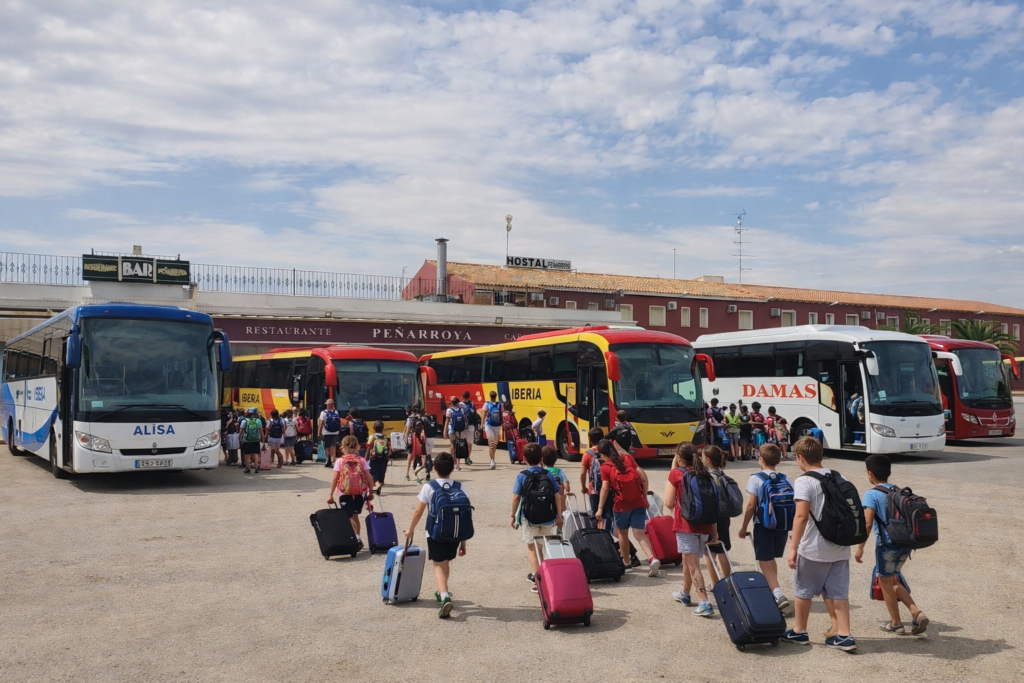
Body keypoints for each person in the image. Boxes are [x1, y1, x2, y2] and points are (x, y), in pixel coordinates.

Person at [782, 437, 857, 651]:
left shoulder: (804, 481)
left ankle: (799, 631)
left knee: (803, 589)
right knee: (838, 592)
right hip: (840, 545)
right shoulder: (838, 476)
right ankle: (844, 635)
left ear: (800, 457)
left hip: (814, 547)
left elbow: (801, 516)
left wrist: (793, 547)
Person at [856, 454, 929, 636]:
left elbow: (867, 523)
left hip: (886, 545)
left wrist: (860, 547)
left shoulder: (872, 494)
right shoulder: (898, 491)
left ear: (870, 474)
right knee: (892, 580)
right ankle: (915, 613)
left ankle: (896, 623)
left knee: (885, 582)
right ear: (889, 472)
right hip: (905, 544)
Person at [404, 452, 468, 619]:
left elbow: (418, 511)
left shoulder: (429, 487)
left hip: (435, 532)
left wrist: (410, 529)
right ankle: (442, 591)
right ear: (453, 468)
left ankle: (445, 595)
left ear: (434, 468)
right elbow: (464, 515)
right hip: (454, 533)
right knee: (445, 562)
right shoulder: (460, 487)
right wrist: (463, 542)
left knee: (438, 565)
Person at [737, 443, 792, 613]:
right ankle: (773, 588)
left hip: (764, 525)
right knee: (770, 560)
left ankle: (778, 594)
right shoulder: (785, 478)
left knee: (764, 560)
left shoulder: (757, 478)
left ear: (760, 459)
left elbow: (751, 506)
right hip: (782, 525)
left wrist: (743, 526)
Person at [665, 443, 717, 617]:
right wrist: (714, 530)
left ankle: (704, 602)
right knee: (688, 559)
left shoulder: (676, 474)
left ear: (679, 457)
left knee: (693, 564)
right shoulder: (705, 474)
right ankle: (685, 593)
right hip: (704, 524)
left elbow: (669, 503)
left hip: (685, 524)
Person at [595, 439, 660, 577]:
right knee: (639, 534)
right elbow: (643, 477)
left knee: (623, 534)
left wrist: (600, 508)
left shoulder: (605, 467)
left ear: (602, 454)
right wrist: (644, 496)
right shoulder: (627, 458)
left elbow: (605, 488)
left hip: (621, 505)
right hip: (638, 502)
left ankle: (626, 563)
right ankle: (652, 558)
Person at [510, 442, 562, 592]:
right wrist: (558, 516)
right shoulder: (548, 475)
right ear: (541, 457)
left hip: (529, 517)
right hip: (548, 516)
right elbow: (557, 495)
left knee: (531, 548)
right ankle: (546, 576)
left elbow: (515, 497)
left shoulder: (522, 476)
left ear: (524, 458)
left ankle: (537, 580)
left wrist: (512, 516)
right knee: (543, 546)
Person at [327, 435, 375, 548]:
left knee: (347, 516)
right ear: (357, 447)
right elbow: (369, 477)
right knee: (355, 516)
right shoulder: (361, 460)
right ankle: (357, 537)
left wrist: (331, 495)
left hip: (344, 493)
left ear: (342, 447)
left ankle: (350, 538)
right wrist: (371, 492)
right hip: (359, 493)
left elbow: (335, 478)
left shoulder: (340, 461)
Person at [702, 446, 733, 585]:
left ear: (707, 459)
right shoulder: (723, 476)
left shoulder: (708, 478)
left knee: (709, 551)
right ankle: (727, 582)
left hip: (712, 516)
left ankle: (715, 584)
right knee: (722, 549)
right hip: (725, 516)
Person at [578, 427, 613, 530]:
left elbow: (583, 473)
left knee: (595, 515)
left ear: (590, 439)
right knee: (608, 514)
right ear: (603, 437)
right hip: (608, 489)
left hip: (594, 490)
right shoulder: (608, 450)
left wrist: (583, 487)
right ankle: (607, 536)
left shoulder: (588, 453)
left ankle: (597, 536)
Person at [366, 420, 391, 495]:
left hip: (374, 458)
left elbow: (368, 448)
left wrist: (366, 458)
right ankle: (379, 486)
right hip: (383, 459)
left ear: (374, 428)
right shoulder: (385, 438)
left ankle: (377, 484)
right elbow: (389, 449)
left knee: (372, 473)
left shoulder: (372, 437)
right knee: (381, 473)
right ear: (383, 428)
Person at [541, 445, 569, 512]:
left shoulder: (541, 472)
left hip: (546, 504)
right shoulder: (560, 472)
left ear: (541, 459)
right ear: (555, 459)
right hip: (560, 505)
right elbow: (567, 488)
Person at [444, 396, 468, 470]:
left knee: (453, 445)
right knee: (459, 446)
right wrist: (466, 427)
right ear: (458, 403)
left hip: (452, 429)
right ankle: (457, 465)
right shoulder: (462, 410)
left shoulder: (449, 410)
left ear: (451, 403)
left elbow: (447, 421)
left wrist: (444, 431)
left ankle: (450, 460)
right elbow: (465, 419)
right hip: (460, 430)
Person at [239, 408, 265, 474]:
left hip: (246, 440)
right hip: (256, 439)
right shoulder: (258, 420)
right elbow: (261, 431)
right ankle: (256, 467)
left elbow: (241, 431)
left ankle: (248, 467)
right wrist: (263, 439)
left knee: (247, 454)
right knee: (255, 453)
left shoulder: (244, 420)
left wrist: (239, 438)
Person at [319, 399, 343, 468]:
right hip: (335, 432)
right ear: (333, 405)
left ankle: (328, 460)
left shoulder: (323, 412)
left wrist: (319, 432)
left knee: (327, 446)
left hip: (326, 432)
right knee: (333, 445)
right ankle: (333, 460)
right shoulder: (336, 412)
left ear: (327, 405)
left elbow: (321, 423)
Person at [482, 390, 503, 469]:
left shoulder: (486, 404)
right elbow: (502, 414)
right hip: (498, 426)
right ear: (496, 396)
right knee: (493, 445)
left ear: (490, 396)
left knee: (492, 445)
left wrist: (482, 424)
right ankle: (492, 461)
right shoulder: (500, 404)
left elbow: (484, 414)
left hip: (489, 425)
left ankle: (492, 460)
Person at [461, 391, 477, 465]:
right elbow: (475, 415)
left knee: (464, 443)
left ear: (462, 396)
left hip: (462, 427)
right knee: (470, 443)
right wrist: (476, 425)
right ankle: (468, 457)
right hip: (471, 426)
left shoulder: (460, 404)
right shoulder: (472, 404)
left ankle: (464, 457)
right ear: (469, 396)